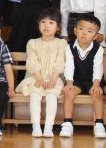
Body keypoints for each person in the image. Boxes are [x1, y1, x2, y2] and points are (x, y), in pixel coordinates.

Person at [15, 8, 67, 138]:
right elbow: (32, 62)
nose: (46, 25)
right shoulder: (32, 43)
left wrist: (53, 80)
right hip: (35, 77)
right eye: (43, 22)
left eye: (51, 22)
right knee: (35, 94)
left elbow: (60, 62)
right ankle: (36, 126)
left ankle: (49, 127)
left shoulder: (61, 43)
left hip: (54, 77)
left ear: (58, 27)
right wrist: (39, 79)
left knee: (51, 95)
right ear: (38, 24)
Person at [62, 14, 106, 139]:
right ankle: (67, 123)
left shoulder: (98, 49)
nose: (84, 33)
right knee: (69, 93)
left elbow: (98, 68)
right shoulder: (69, 47)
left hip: (93, 80)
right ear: (75, 30)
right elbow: (69, 66)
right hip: (76, 80)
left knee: (96, 94)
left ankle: (99, 124)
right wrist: (69, 83)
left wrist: (96, 85)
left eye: (89, 31)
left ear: (95, 36)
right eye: (81, 29)